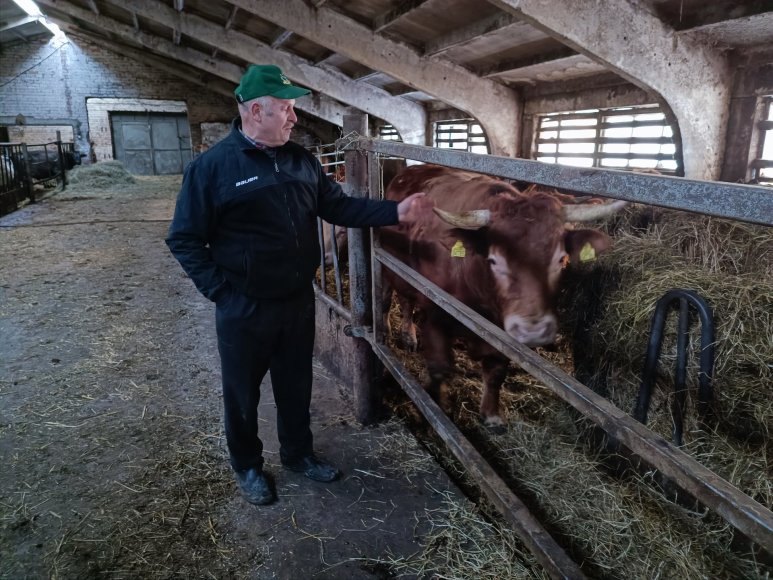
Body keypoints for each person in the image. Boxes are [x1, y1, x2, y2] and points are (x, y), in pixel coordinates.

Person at [166, 64, 428, 506]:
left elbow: (339, 208)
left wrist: (395, 212)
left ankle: (298, 454)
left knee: (295, 382)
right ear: (254, 112)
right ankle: (247, 465)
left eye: (292, 109)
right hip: (243, 304)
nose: (294, 118)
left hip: (295, 299)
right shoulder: (212, 169)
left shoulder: (301, 161)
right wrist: (222, 293)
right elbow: (184, 239)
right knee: (242, 391)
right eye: (285, 109)